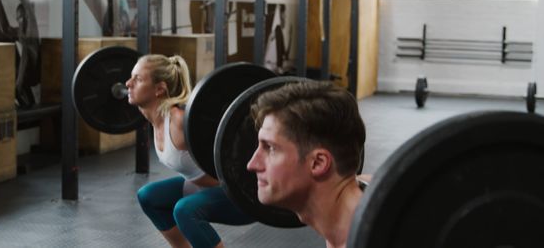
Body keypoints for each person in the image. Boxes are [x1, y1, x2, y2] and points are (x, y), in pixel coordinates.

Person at [126, 54, 255, 248]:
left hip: (240, 195)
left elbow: (235, 152)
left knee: (185, 210)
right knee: (148, 196)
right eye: (131, 77)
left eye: (138, 79)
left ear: (159, 89)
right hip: (203, 187)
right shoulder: (156, 119)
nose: (128, 83)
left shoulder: (179, 122)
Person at [246, 81, 370, 248]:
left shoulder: (369, 238)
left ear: (318, 163)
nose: (252, 164)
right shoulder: (359, 196)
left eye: (271, 148)